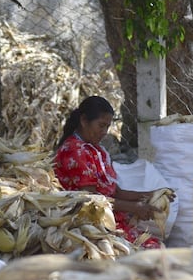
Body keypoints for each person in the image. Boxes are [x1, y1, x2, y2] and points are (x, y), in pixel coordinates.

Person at [53, 96, 168, 249]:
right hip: (88, 224)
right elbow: (91, 201)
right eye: (101, 125)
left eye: (107, 127)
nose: (104, 132)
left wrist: (151, 195)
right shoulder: (75, 151)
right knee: (151, 252)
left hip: (106, 219)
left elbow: (115, 192)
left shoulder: (95, 149)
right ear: (84, 120)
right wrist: (134, 207)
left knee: (156, 247)